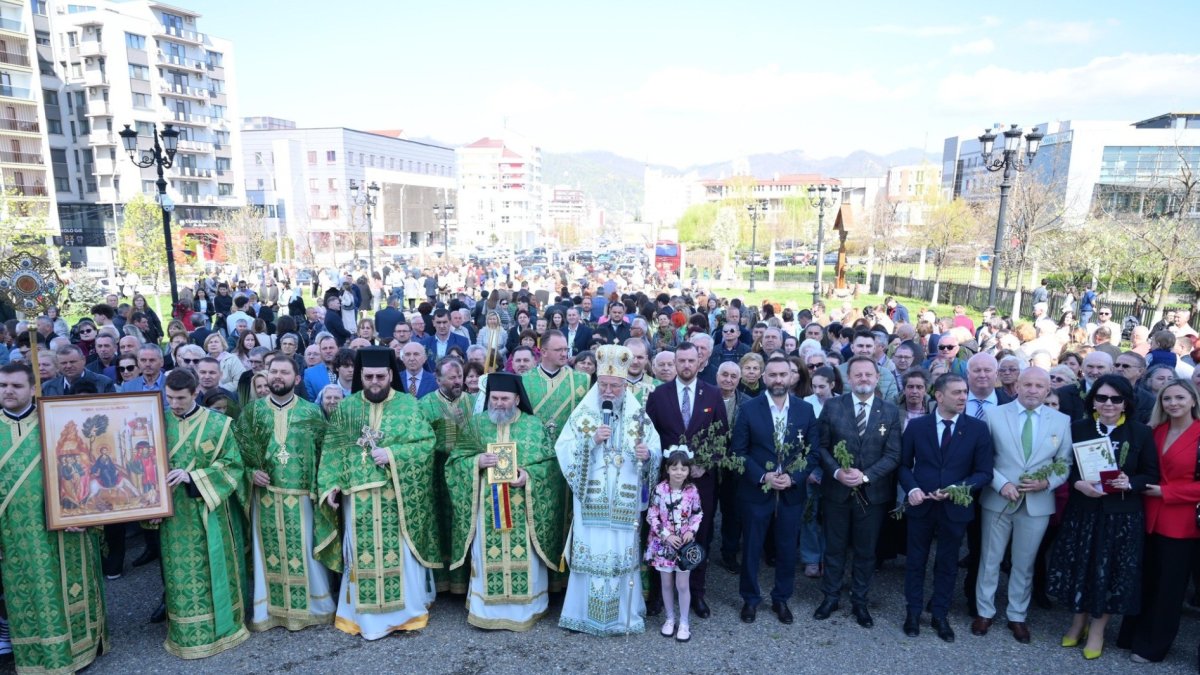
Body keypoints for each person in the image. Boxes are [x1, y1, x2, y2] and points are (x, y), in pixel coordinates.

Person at [316, 348, 439, 639]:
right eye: (368, 376)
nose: (374, 382)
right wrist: (331, 485)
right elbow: (332, 451)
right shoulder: (347, 408)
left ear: (390, 375)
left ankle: (405, 613)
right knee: (360, 557)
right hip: (356, 501)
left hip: (395, 498)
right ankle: (360, 616)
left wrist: (393, 454)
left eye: (380, 377)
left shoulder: (409, 406)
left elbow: (426, 444)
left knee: (399, 556)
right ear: (360, 376)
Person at [0, 362, 108, 672]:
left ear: (33, 389)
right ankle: (34, 654)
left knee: (66, 588)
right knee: (25, 592)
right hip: (14, 533)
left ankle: (79, 649)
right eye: (3, 385)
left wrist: (85, 514)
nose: (8, 391)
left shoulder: (56, 422)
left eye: (16, 386)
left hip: (65, 527)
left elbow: (85, 472)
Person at [1046, 374, 1156, 660]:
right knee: (1082, 567)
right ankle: (1078, 622)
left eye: (1116, 399)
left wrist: (1130, 483)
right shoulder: (1079, 428)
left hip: (1121, 516)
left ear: (1126, 402)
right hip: (1084, 510)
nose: (1109, 403)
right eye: (1102, 397)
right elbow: (1066, 466)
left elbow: (1151, 474)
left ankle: (1097, 630)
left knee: (1109, 572)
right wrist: (1077, 483)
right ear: (1092, 400)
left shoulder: (1140, 432)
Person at [446, 372, 566, 630]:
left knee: (525, 558)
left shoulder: (533, 426)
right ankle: (486, 611)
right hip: (486, 507)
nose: (499, 403)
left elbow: (550, 466)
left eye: (504, 398)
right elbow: (455, 461)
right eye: (494, 398)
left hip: (523, 509)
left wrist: (528, 476)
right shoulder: (476, 424)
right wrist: (477, 462)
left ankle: (526, 609)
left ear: (517, 399)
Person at [555, 344, 660, 636]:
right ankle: (582, 616)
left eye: (615, 385)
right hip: (592, 502)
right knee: (591, 555)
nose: (609, 391)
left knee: (621, 558)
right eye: (604, 385)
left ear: (625, 385)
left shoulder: (639, 416)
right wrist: (590, 442)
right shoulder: (584, 414)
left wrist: (647, 455)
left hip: (624, 504)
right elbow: (563, 448)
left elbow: (655, 449)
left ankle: (622, 617)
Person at [232, 356, 335, 633]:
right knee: (266, 555)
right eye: (274, 371)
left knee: (306, 552)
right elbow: (236, 453)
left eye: (284, 372)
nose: (278, 376)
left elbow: (326, 454)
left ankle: (315, 607)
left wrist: (324, 489)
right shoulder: (252, 412)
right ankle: (268, 610)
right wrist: (250, 472)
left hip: (302, 497)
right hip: (264, 497)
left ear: (296, 379)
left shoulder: (311, 412)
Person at [974, 367, 1073, 644]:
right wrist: (1000, 483)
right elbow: (983, 457)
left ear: (1047, 390)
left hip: (1037, 502)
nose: (1032, 390)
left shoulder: (1061, 421)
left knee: (1025, 562)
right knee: (990, 558)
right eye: (1027, 384)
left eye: (1039, 386)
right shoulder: (994, 415)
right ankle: (984, 611)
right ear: (1017, 386)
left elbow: (1064, 462)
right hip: (998, 498)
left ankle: (1017, 615)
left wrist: (1048, 482)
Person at [157, 368, 249, 658]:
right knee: (179, 573)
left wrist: (193, 477)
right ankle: (185, 632)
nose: (174, 404)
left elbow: (233, 466)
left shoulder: (219, 424)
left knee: (214, 568)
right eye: (169, 397)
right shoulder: (156, 422)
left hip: (211, 512)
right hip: (174, 516)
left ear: (195, 393)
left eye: (181, 398)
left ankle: (224, 627)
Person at [899, 373, 994, 643]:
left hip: (955, 508)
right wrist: (913, 489)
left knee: (948, 563)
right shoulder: (918, 427)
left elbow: (984, 472)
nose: (963, 397)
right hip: (922, 505)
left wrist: (957, 489)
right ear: (939, 396)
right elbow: (903, 465)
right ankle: (913, 612)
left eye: (965, 392)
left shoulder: (977, 429)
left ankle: (940, 614)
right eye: (957, 392)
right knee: (916, 561)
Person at [814, 355, 902, 627]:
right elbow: (821, 447)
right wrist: (837, 472)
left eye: (868, 374)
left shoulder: (889, 411)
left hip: (872, 494)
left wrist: (864, 476)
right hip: (836, 491)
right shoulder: (832, 406)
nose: (863, 378)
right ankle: (830, 596)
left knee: (866, 551)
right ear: (849, 378)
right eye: (858, 374)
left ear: (877, 378)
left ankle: (860, 601)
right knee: (834, 548)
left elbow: (893, 454)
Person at [732, 356, 819, 625]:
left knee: (786, 548)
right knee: (752, 547)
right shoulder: (749, 409)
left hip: (791, 493)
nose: (778, 380)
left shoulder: (805, 410)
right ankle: (750, 598)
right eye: (773, 375)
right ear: (764, 377)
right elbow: (738, 452)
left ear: (791, 377)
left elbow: (813, 452)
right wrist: (763, 475)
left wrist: (793, 477)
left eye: (783, 374)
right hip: (756, 492)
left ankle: (781, 598)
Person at [1119, 379, 1200, 663]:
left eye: (1179, 398)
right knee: (1144, 580)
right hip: (1148, 516)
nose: (1173, 403)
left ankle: (1153, 647)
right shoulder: (1155, 431)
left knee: (1168, 589)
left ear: (1193, 400)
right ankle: (1131, 636)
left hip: (1182, 522)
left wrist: (1168, 492)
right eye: (1167, 399)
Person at [645, 341, 727, 620]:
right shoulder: (659, 395)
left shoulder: (712, 394)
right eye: (681, 361)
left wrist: (706, 463)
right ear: (675, 363)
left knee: (698, 535)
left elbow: (722, 437)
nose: (686, 365)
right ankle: (658, 594)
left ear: (700, 362)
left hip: (700, 483)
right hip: (667, 483)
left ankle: (697, 593)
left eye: (691, 360)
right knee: (662, 535)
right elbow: (651, 436)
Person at [418, 358, 476, 594]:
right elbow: (420, 440)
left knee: (463, 522)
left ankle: (465, 580)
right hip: (437, 474)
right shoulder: (425, 404)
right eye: (451, 378)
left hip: (466, 474)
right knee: (440, 523)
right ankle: (442, 581)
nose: (457, 381)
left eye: (459, 376)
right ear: (438, 379)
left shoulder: (474, 402)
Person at [646, 447, 703, 642]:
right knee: (666, 583)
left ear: (688, 471)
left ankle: (684, 622)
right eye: (674, 468)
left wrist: (691, 531)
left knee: (682, 584)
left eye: (683, 469)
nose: (679, 472)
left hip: (684, 547)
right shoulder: (659, 490)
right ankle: (670, 618)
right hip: (664, 546)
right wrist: (666, 535)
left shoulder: (692, 491)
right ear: (667, 469)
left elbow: (697, 513)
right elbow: (652, 515)